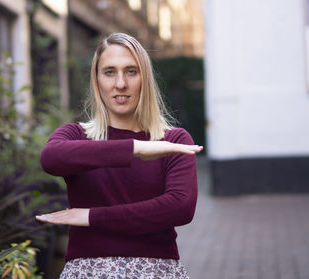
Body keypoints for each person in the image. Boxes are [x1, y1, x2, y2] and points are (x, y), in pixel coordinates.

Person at [36, 32, 203, 279]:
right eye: (110, 72)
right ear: (97, 80)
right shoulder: (76, 135)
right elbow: (51, 158)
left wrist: (92, 216)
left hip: (156, 271)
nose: (120, 84)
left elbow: (180, 208)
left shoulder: (174, 141)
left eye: (131, 72)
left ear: (144, 78)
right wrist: (135, 148)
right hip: (88, 271)